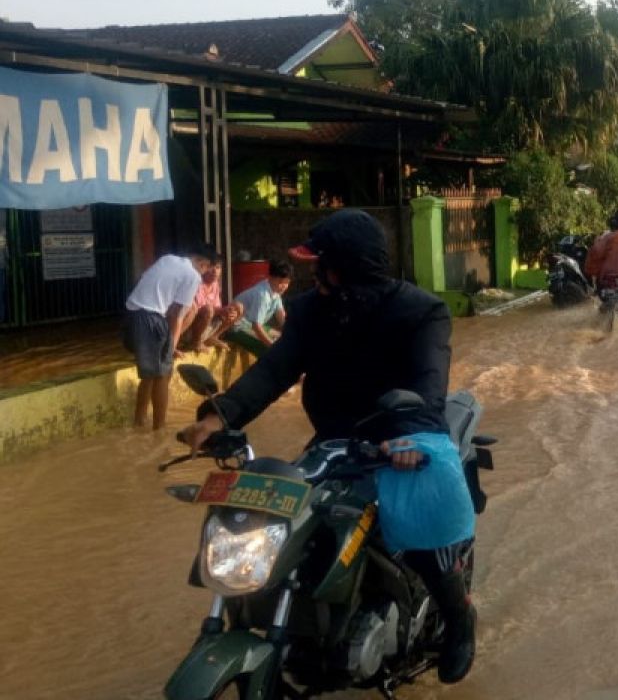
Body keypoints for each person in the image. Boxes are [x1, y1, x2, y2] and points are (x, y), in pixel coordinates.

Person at [179, 209, 477, 684]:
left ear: (343, 269)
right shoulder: (311, 311)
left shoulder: (421, 312)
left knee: (421, 529)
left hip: (402, 439)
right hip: (335, 442)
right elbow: (276, 370)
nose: (311, 272)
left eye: (320, 264)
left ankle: (459, 618)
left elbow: (428, 385)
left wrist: (407, 435)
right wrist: (221, 414)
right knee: (288, 526)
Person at [122, 245, 217, 429]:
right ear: (203, 264)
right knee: (163, 375)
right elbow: (178, 316)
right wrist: (172, 346)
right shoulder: (193, 275)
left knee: (149, 375)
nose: (205, 273)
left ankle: (139, 421)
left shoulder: (167, 259)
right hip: (149, 318)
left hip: (132, 315)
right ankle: (160, 429)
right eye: (207, 268)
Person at [225, 259, 292, 358]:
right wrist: (272, 346)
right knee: (272, 349)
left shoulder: (275, 292)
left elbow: (281, 317)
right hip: (236, 328)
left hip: (250, 326)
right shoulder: (262, 295)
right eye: (280, 282)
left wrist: (291, 337)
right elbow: (256, 326)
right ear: (270, 277)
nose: (284, 286)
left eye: (286, 283)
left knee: (282, 340)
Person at [181, 259, 243, 352]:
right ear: (203, 267)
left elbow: (217, 309)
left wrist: (228, 312)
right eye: (211, 267)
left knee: (238, 307)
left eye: (218, 267)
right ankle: (195, 342)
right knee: (208, 310)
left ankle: (213, 337)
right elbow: (198, 311)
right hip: (190, 330)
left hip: (208, 326)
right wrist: (221, 311)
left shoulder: (215, 284)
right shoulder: (196, 282)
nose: (215, 271)